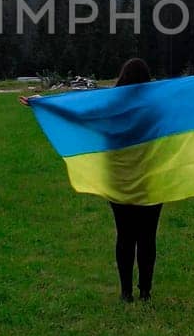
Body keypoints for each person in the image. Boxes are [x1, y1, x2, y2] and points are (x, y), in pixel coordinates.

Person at [22, 57, 163, 303]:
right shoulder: (156, 106)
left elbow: (79, 112)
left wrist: (42, 103)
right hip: (149, 180)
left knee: (125, 235)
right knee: (147, 236)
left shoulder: (110, 105)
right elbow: (189, 98)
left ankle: (126, 292)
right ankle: (146, 292)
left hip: (117, 180)